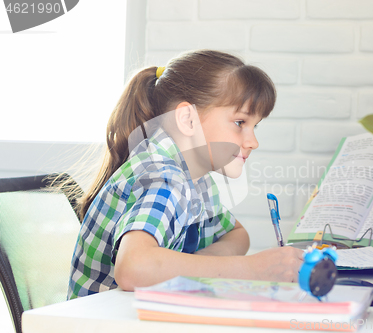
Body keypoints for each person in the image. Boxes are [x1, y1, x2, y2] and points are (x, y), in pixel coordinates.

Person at [67, 50, 304, 299]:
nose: (253, 141)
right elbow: (133, 268)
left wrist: (195, 265)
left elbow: (237, 235)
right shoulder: (164, 177)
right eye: (239, 123)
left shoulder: (197, 179)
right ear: (187, 120)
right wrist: (250, 269)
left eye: (255, 126)